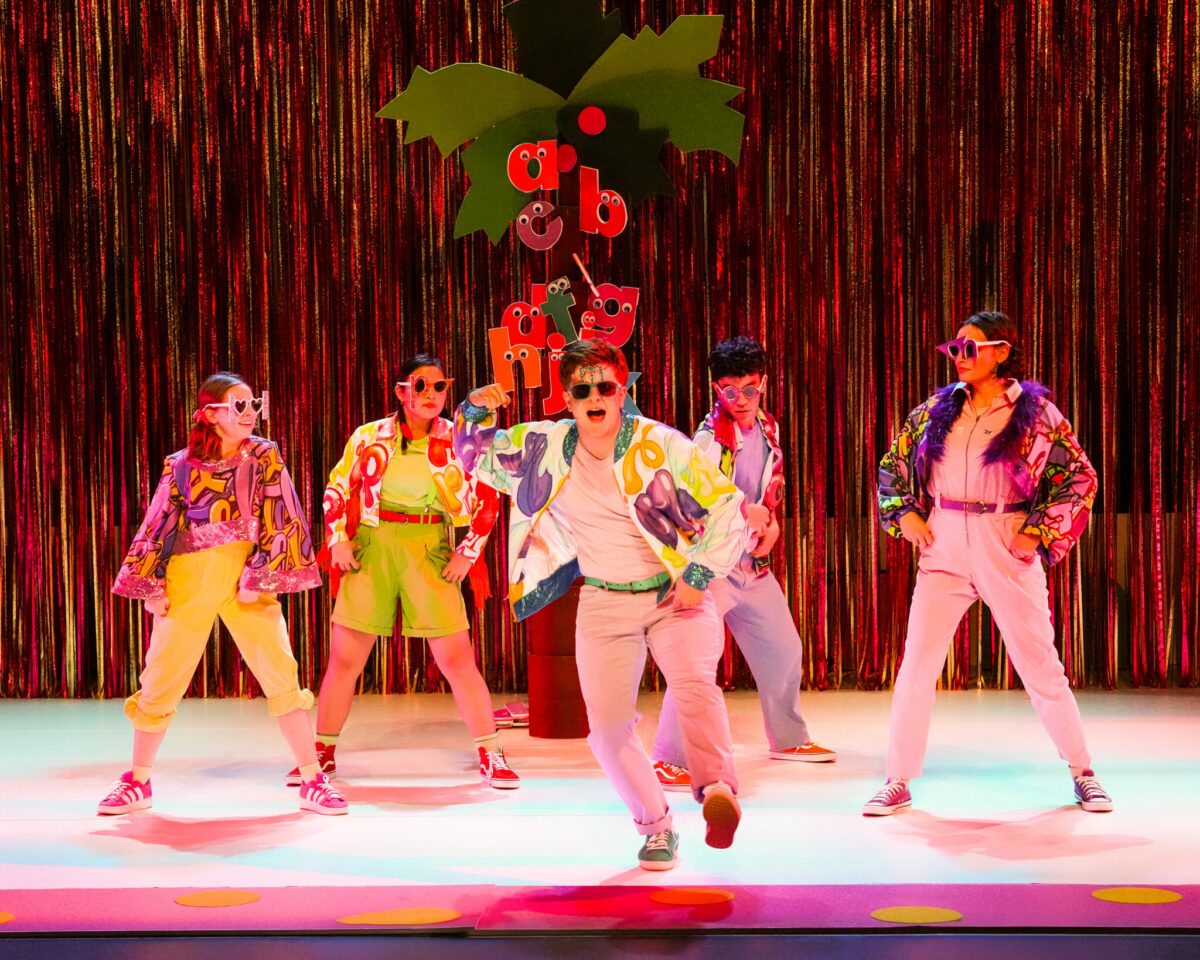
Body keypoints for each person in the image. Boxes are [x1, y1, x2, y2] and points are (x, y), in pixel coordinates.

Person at [456, 339, 748, 871]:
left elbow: (728, 505)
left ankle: (717, 791)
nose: (595, 397)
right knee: (608, 734)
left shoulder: (661, 444)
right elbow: (475, 458)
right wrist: (475, 410)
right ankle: (657, 826)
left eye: (606, 387)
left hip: (672, 593)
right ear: (567, 399)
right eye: (582, 389)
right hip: (603, 600)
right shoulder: (545, 445)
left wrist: (699, 575)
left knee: (692, 685)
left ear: (622, 391)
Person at [867, 311, 1111, 815]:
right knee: (917, 664)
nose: (960, 357)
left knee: (1040, 664)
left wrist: (1037, 532)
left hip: (1005, 538)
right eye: (955, 348)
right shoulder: (937, 409)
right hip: (945, 540)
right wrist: (904, 515)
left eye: (971, 348)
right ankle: (899, 778)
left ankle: (1083, 771)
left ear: (1001, 351)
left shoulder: (1036, 413)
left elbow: (1080, 477)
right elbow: (892, 466)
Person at [105, 372, 346, 816]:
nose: (250, 413)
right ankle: (137, 780)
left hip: (243, 580)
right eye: (239, 405)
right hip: (188, 580)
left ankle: (313, 778)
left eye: (254, 403)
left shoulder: (264, 456)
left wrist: (258, 577)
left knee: (280, 674)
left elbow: (283, 514)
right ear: (212, 414)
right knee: (160, 679)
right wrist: (151, 582)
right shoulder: (179, 464)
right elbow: (159, 522)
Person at [296, 355, 518, 789]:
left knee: (457, 659)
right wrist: (338, 536)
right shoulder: (370, 435)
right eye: (421, 386)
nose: (431, 395)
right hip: (374, 546)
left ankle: (490, 752)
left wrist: (468, 553)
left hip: (428, 545)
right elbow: (338, 485)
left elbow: (488, 499)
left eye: (439, 386)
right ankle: (319, 753)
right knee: (344, 658)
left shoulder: (459, 439)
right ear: (402, 391)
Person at [651, 337, 834, 795]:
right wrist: (743, 511)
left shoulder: (768, 428)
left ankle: (788, 739)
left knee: (784, 649)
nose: (741, 401)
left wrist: (769, 525)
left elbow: (771, 486)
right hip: (710, 567)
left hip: (750, 564)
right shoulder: (707, 441)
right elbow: (691, 504)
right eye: (730, 392)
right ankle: (667, 759)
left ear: (764, 384)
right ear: (718, 390)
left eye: (750, 389)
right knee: (695, 663)